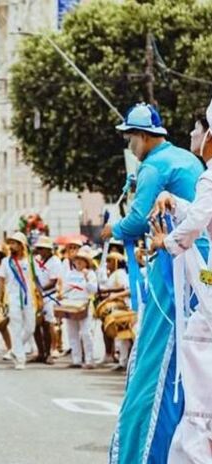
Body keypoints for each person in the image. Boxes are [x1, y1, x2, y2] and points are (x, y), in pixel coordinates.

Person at [105, 103, 204, 464]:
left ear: (144, 137)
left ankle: (144, 453)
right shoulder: (190, 164)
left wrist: (112, 231)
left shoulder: (155, 165)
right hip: (199, 273)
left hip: (180, 271)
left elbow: (136, 221)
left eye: (131, 137)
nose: (130, 144)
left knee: (157, 362)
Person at [149, 98, 212, 463]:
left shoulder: (209, 175)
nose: (192, 133)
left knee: (200, 404)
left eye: (198, 127)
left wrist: (167, 242)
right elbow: (203, 214)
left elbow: (199, 218)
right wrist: (174, 200)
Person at [0, 232, 36, 370]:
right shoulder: (6, 262)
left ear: (21, 245)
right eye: (10, 243)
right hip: (12, 298)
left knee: (31, 328)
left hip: (28, 297)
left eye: (14, 243)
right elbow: (1, 281)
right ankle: (20, 359)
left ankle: (14, 348)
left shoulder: (30, 260)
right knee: (16, 327)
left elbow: (35, 280)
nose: (11, 246)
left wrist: (40, 297)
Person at [59, 246, 98, 369]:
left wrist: (87, 278)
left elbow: (94, 290)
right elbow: (64, 289)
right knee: (72, 333)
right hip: (70, 304)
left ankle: (89, 360)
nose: (79, 262)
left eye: (81, 260)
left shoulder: (90, 274)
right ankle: (76, 360)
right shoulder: (69, 274)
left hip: (84, 304)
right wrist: (61, 295)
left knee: (86, 333)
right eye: (77, 260)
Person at [97, 252, 131, 369]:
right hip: (116, 308)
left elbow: (125, 287)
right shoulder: (112, 274)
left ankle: (124, 362)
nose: (107, 264)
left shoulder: (120, 273)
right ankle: (122, 361)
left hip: (123, 307)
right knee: (122, 336)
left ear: (116, 262)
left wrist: (109, 292)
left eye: (109, 261)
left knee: (125, 335)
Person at [32, 236, 62, 365]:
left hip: (49, 296)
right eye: (39, 249)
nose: (40, 251)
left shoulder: (55, 261)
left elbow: (53, 282)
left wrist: (40, 290)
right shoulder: (36, 260)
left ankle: (50, 352)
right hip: (36, 297)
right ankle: (40, 352)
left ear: (49, 250)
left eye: (42, 249)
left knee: (48, 324)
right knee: (35, 324)